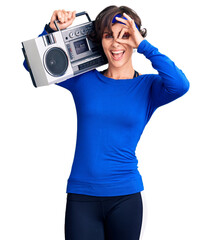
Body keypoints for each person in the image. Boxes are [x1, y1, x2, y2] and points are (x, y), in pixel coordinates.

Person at [23, 5, 190, 240]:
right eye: (108, 35)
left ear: (135, 38)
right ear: (99, 40)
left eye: (125, 35)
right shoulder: (83, 79)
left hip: (126, 198)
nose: (115, 44)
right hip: (82, 197)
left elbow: (180, 85)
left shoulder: (149, 88)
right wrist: (50, 30)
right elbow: (33, 66)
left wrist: (144, 46)